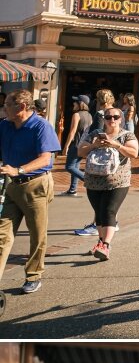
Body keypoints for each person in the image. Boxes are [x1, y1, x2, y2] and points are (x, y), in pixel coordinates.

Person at [0, 91, 61, 294]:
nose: (4, 107)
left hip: (36, 185)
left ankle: (34, 275)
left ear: (22, 107)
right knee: (2, 235)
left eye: (8, 104)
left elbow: (46, 159)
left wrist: (19, 170)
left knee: (37, 234)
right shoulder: (4, 125)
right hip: (12, 185)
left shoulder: (41, 126)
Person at [77, 106, 139, 262]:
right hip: (93, 181)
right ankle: (100, 242)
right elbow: (80, 152)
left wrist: (115, 144)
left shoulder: (127, 135)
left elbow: (134, 153)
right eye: (108, 117)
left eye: (116, 117)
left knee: (109, 211)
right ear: (103, 119)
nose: (112, 120)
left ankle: (105, 245)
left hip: (118, 182)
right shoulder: (94, 134)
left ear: (121, 119)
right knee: (99, 213)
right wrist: (94, 145)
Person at [61, 95, 92, 196]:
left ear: (80, 104)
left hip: (76, 144)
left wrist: (66, 146)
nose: (73, 104)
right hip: (84, 144)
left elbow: (72, 131)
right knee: (76, 166)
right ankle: (72, 189)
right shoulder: (89, 115)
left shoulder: (77, 115)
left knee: (69, 167)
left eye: (76, 102)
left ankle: (88, 180)